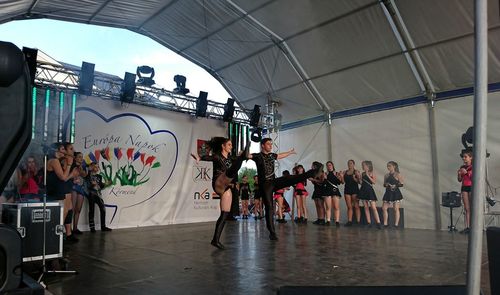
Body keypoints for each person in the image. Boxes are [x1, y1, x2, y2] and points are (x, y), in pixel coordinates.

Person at [248, 138, 323, 240]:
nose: (271, 146)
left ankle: (312, 172)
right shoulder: (257, 156)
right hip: (265, 184)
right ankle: (272, 232)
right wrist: (245, 149)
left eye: (271, 144)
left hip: (273, 182)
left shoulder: (271, 155)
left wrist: (290, 152)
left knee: (290, 178)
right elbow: (248, 156)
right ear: (262, 145)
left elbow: (280, 155)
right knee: (269, 207)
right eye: (268, 144)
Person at [191, 137, 248, 249]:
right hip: (218, 182)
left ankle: (215, 240)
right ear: (223, 146)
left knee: (224, 214)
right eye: (229, 145)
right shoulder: (217, 157)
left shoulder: (231, 158)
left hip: (226, 187)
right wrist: (199, 157)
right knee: (231, 170)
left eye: (231, 145)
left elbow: (245, 158)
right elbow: (209, 157)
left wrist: (246, 156)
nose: (231, 147)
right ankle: (240, 159)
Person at [46, 143, 79, 242]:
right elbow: (63, 178)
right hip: (56, 191)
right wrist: (69, 165)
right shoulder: (54, 161)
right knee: (61, 216)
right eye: (62, 149)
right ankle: (56, 239)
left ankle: (60, 237)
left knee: (66, 212)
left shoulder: (57, 161)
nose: (64, 152)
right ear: (57, 150)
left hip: (59, 190)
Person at [86, 162, 112, 233]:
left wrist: (106, 184)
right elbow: (87, 186)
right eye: (95, 167)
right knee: (92, 210)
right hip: (91, 194)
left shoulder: (99, 176)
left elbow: (100, 186)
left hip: (98, 195)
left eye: (98, 167)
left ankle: (103, 226)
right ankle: (92, 228)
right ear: (92, 167)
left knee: (103, 209)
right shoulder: (88, 175)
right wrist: (92, 185)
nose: (97, 168)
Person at [358, 161, 381, 229]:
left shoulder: (372, 173)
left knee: (373, 207)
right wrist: (359, 178)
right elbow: (361, 183)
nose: (363, 166)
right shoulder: (363, 173)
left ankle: (378, 223)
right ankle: (369, 222)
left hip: (369, 191)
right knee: (366, 207)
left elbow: (374, 182)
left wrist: (368, 175)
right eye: (363, 165)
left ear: (368, 166)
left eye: (364, 165)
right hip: (363, 190)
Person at [382, 161, 404, 228]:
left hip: (395, 193)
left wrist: (395, 185)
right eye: (387, 166)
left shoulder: (398, 174)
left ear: (394, 166)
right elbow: (384, 184)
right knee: (384, 208)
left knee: (396, 209)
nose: (388, 167)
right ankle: (385, 224)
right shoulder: (386, 175)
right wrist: (386, 185)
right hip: (388, 193)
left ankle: (396, 224)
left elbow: (402, 184)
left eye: (389, 166)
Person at [71, 152, 88, 234]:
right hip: (73, 187)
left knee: (78, 209)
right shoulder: (72, 165)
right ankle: (68, 229)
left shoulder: (83, 165)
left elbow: (84, 175)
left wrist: (81, 167)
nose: (81, 158)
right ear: (75, 158)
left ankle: (75, 228)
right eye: (79, 157)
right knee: (72, 209)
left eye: (82, 157)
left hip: (81, 188)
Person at [457, 149, 473, 234]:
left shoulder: (474, 166)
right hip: (464, 187)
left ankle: (473, 226)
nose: (464, 158)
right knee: (467, 208)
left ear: (471, 157)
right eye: (463, 157)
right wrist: (459, 174)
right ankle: (467, 227)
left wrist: (466, 173)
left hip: (471, 187)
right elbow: (459, 180)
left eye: (465, 157)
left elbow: (473, 178)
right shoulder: (462, 167)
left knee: (472, 207)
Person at [324, 161, 343, 226]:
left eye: (330, 165)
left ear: (332, 165)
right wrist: (325, 178)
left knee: (336, 207)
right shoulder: (325, 173)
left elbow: (339, 182)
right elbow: (324, 184)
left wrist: (339, 176)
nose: (329, 166)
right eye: (327, 165)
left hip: (335, 191)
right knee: (328, 207)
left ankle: (337, 221)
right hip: (327, 191)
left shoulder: (336, 173)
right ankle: (328, 220)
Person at [343, 160, 361, 226]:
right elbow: (343, 182)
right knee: (349, 206)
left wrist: (357, 177)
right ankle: (349, 221)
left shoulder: (356, 171)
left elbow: (359, 182)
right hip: (347, 190)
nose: (349, 164)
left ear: (354, 164)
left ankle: (358, 221)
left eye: (351, 163)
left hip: (355, 190)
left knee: (356, 206)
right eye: (348, 163)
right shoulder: (345, 172)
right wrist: (341, 176)